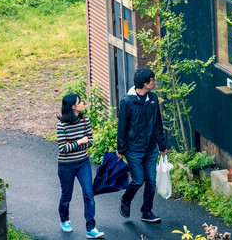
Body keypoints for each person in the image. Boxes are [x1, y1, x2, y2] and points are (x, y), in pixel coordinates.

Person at [116, 67, 167, 223]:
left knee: (151, 181)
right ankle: (126, 200)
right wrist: (121, 149)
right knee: (138, 180)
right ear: (145, 83)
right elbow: (122, 127)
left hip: (151, 148)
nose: (154, 82)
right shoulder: (127, 102)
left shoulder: (152, 98)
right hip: (134, 150)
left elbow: (158, 122)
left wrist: (162, 145)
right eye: (152, 80)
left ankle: (146, 212)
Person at [56, 94, 104, 238]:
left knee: (89, 194)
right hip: (66, 165)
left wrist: (76, 143)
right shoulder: (61, 125)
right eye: (80, 102)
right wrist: (80, 141)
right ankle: (64, 220)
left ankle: (90, 228)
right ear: (73, 107)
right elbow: (62, 148)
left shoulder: (85, 121)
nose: (83, 104)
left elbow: (90, 142)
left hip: (83, 162)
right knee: (66, 196)